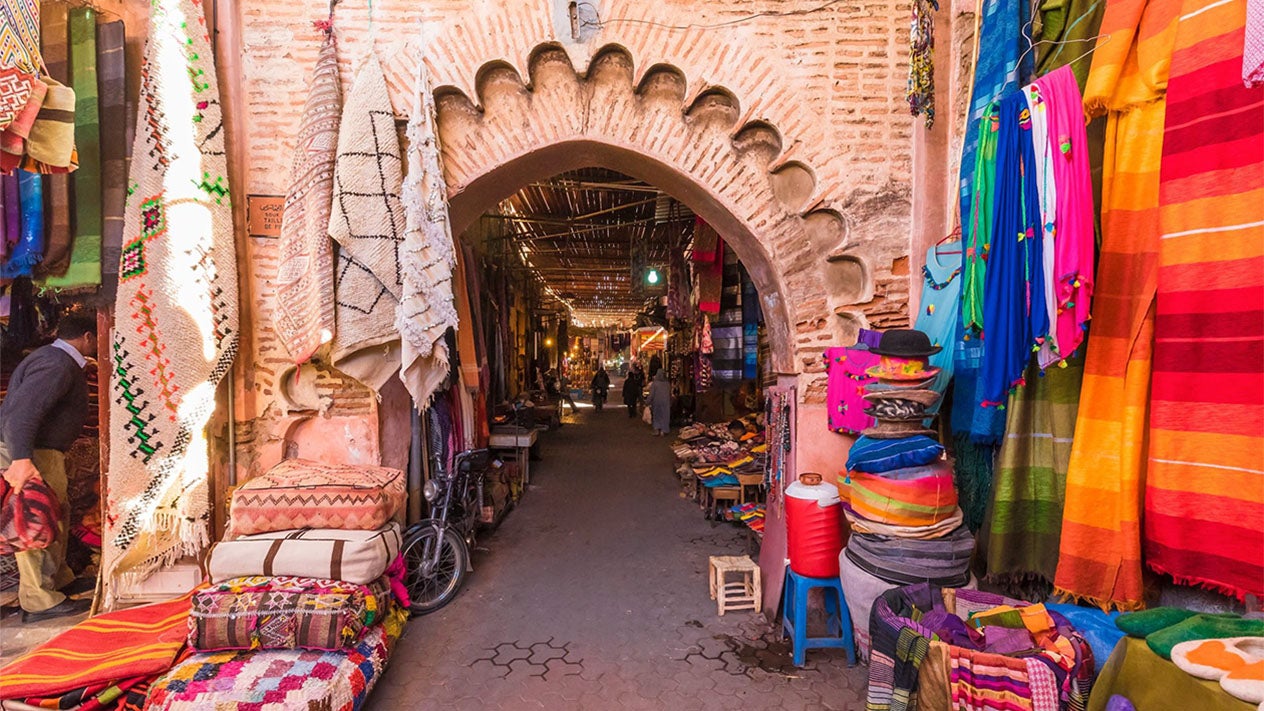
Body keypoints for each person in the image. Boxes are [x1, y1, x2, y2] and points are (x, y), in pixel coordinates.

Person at [0, 313, 98, 622]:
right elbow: (22, 412)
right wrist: (21, 459)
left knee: (55, 514)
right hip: (31, 453)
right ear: (88, 337)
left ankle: (58, 581)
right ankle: (39, 600)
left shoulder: (55, 360)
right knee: (33, 518)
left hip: (41, 451)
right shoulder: (56, 364)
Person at [647, 369, 672, 436]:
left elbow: (651, 394)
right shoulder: (667, 384)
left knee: (657, 415)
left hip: (657, 402)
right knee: (665, 415)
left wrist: (648, 401)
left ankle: (657, 429)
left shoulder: (655, 384)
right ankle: (664, 430)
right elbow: (669, 394)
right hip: (666, 402)